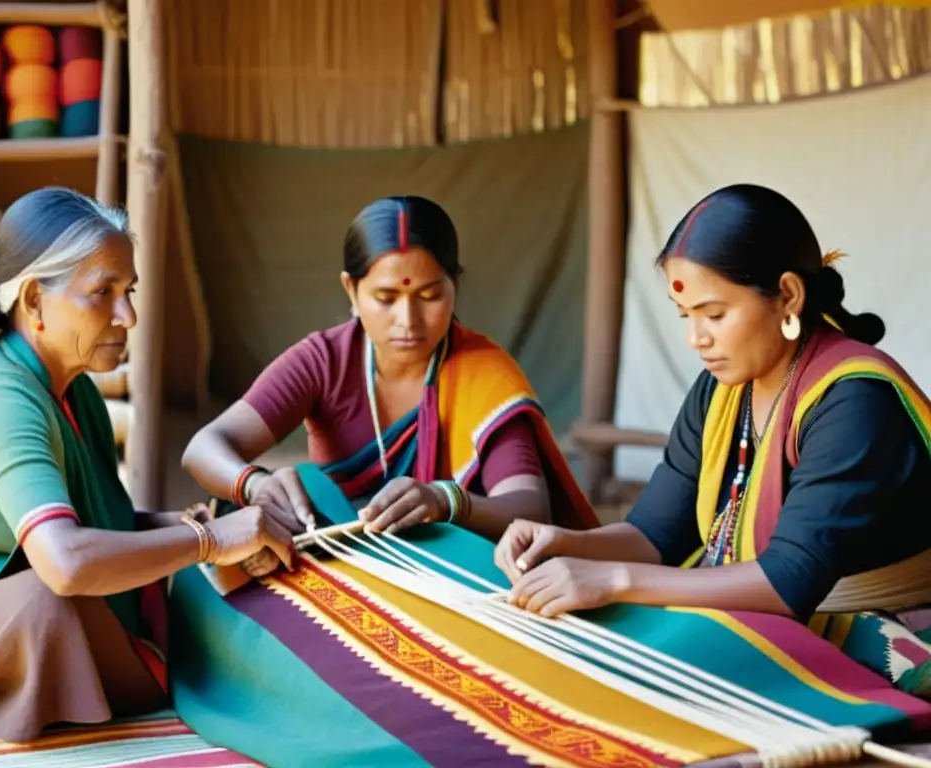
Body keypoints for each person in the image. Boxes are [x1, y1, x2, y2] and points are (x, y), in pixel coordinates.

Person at [495, 183, 931, 693]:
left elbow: (785, 583)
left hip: (886, 630)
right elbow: (656, 535)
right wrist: (568, 545)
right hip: (783, 618)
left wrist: (611, 579)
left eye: (715, 314)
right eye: (687, 317)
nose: (696, 338)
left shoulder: (854, 401)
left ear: (787, 295)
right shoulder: (723, 388)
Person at [0, 187, 293, 742]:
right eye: (103, 293)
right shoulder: (1, 399)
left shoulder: (71, 386)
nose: (128, 315)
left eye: (129, 290)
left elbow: (97, 526)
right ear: (35, 302)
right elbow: (66, 562)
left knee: (190, 548)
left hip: (8, 575)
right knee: (48, 608)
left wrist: (207, 530)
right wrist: (209, 543)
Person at [182, 195, 596, 577]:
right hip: (333, 566)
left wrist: (446, 501)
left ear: (456, 284)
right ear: (351, 290)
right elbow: (204, 448)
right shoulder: (324, 360)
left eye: (430, 295)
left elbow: (529, 508)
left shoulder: (485, 374)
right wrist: (255, 482)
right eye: (385, 298)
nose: (408, 320)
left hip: (452, 576)